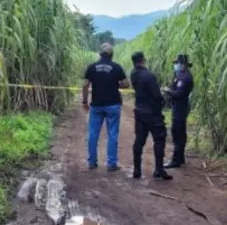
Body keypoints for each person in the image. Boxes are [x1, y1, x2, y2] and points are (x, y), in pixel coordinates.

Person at [82, 43, 130, 171]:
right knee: (112, 134)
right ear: (112, 55)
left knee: (93, 134)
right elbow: (126, 84)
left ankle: (92, 162)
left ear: (99, 53)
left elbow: (85, 85)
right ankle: (111, 164)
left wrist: (84, 101)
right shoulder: (116, 67)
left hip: (96, 106)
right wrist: (116, 85)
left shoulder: (91, 67)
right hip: (113, 105)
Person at [129, 51, 173, 180]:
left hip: (140, 111)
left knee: (139, 141)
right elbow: (156, 95)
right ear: (143, 59)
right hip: (153, 113)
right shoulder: (148, 75)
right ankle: (159, 169)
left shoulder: (134, 74)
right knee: (159, 139)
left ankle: (137, 170)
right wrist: (163, 100)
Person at [163, 54, 194, 168]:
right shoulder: (180, 75)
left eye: (177, 63)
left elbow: (180, 94)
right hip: (179, 107)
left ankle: (176, 161)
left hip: (180, 108)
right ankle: (180, 158)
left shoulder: (185, 77)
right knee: (179, 133)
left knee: (177, 133)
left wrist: (168, 91)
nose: (176, 65)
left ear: (183, 64)